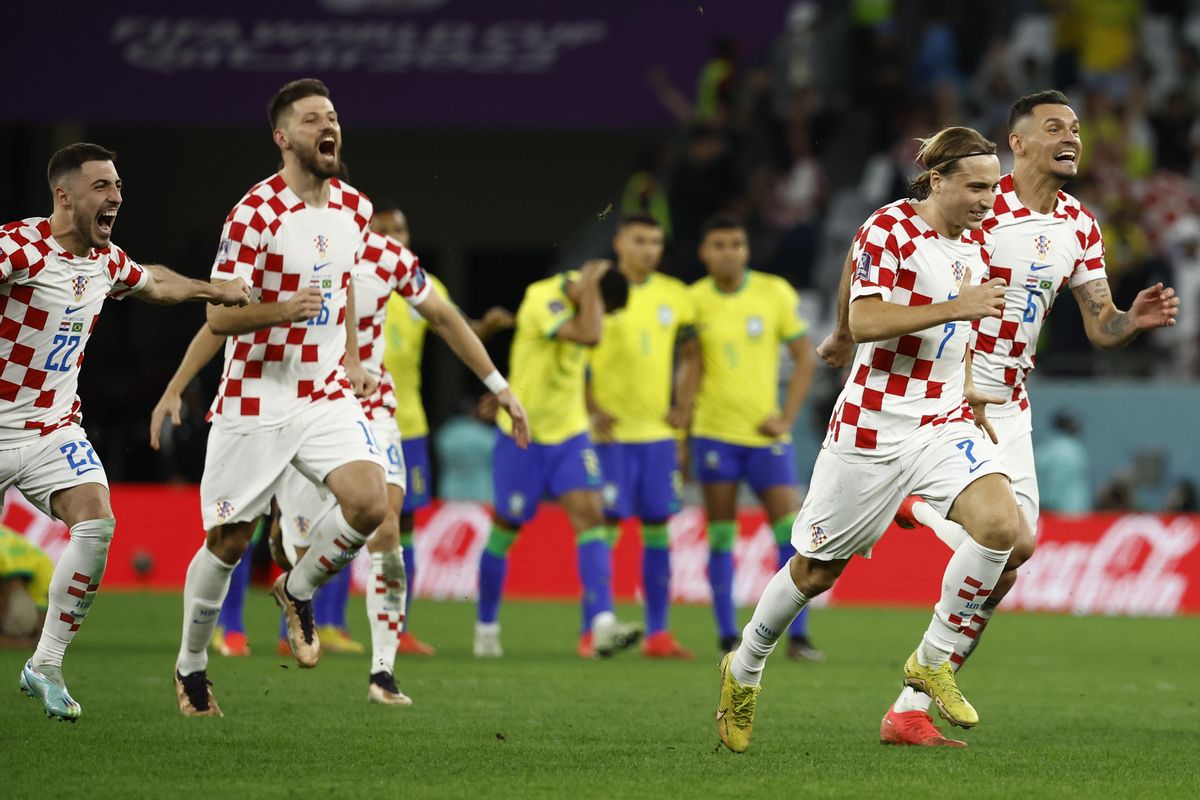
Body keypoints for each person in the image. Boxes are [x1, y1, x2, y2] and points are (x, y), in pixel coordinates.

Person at [817, 91, 1179, 745]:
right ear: (1017, 142)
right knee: (1011, 541)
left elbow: (1100, 321)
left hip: (1009, 402)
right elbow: (874, 244)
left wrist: (1132, 321)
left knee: (1013, 558)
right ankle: (917, 503)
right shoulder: (981, 202)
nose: (1071, 136)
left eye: (1075, 127)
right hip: (942, 396)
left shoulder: (1081, 226)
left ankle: (909, 707)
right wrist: (845, 332)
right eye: (1053, 127)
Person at [170, 78, 526, 717]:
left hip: (325, 394)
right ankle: (192, 670)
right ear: (283, 138)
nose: (327, 127)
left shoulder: (355, 210)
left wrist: (356, 360)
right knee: (226, 543)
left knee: (369, 506)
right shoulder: (254, 213)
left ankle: (297, 591)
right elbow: (219, 320)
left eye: (332, 117)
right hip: (254, 397)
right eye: (311, 120)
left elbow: (347, 294)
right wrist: (281, 309)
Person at [717, 126, 1020, 754]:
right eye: (976, 187)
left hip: (943, 421)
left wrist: (968, 393)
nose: (988, 200)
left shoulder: (979, 241)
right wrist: (851, 330)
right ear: (937, 180)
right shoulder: (890, 228)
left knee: (1004, 531)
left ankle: (931, 662)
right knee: (816, 571)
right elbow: (868, 312)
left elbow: (955, 328)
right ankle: (744, 664)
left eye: (993, 187)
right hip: (873, 424)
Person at [2, 142, 248, 722]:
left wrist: (214, 289)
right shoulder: (18, 246)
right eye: (102, 187)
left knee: (96, 522)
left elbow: (155, 283)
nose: (116, 197)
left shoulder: (105, 261)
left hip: (49, 430)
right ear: (64, 196)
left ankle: (46, 665)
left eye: (118, 187)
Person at [475, 260, 637, 658]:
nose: (604, 316)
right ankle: (486, 624)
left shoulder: (582, 304)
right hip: (522, 432)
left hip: (569, 434)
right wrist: (593, 288)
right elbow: (590, 334)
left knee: (592, 518)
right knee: (505, 528)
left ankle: (601, 624)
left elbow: (578, 364)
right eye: (604, 306)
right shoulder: (540, 297)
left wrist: (592, 406)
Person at [378, 200, 514, 656]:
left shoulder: (421, 285)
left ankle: (400, 629)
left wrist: (486, 328)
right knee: (334, 522)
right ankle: (314, 627)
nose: (395, 238)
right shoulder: (348, 278)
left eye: (400, 230)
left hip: (408, 423)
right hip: (350, 417)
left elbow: (454, 324)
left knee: (408, 523)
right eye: (384, 230)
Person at [688, 214, 819, 659]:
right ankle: (727, 634)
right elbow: (690, 369)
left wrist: (786, 417)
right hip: (713, 435)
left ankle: (796, 635)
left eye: (737, 243)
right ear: (705, 253)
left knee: (791, 533)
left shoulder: (773, 292)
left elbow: (805, 358)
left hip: (766, 438)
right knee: (722, 534)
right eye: (720, 244)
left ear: (747, 249)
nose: (730, 252)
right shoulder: (693, 302)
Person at [586, 212, 699, 659]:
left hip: (656, 435)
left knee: (658, 529)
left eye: (655, 241)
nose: (648, 249)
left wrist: (683, 407)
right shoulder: (595, 290)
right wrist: (591, 407)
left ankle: (657, 634)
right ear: (618, 243)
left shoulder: (676, 296)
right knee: (604, 528)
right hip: (610, 435)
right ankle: (593, 627)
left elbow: (692, 356)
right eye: (639, 240)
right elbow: (575, 350)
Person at [0, 525, 53, 649]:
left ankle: (15, 637)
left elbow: (11, 588)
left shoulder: (5, 558)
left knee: (19, 620)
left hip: (33, 588)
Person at [1034, 410, 1090, 513]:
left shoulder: (1044, 449)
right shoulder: (1071, 449)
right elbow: (1056, 482)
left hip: (1046, 511)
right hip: (1068, 511)